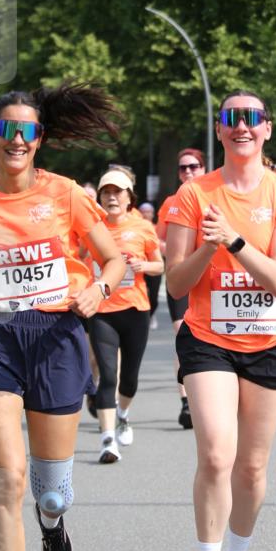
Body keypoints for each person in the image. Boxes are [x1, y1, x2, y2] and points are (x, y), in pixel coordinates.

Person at [0, 84, 126, 551]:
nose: (16, 139)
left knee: (51, 489)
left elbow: (113, 260)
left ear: (39, 138)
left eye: (27, 130)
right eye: (7, 129)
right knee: (8, 478)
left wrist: (98, 291)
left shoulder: (65, 193)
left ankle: (51, 522)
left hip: (56, 334)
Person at [166, 93, 276, 551]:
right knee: (216, 453)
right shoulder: (192, 195)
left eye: (251, 119)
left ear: (267, 129)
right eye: (231, 119)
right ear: (219, 131)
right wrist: (208, 244)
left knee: (250, 465)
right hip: (208, 339)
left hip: (270, 339)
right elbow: (177, 283)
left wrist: (235, 242)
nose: (241, 127)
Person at [88, 169, 163, 463]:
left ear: (129, 196)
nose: (111, 197)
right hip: (102, 310)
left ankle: (123, 416)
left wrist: (143, 265)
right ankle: (107, 441)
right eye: (106, 192)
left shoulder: (143, 227)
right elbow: (79, 261)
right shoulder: (92, 227)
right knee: (108, 377)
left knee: (129, 378)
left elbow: (160, 266)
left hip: (135, 310)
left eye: (117, 192)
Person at [157, 149, 207, 429]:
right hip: (181, 276)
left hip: (208, 280)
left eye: (194, 167)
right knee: (182, 332)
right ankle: (186, 399)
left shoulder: (214, 195)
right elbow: (158, 241)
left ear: (203, 168)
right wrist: (179, 247)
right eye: (182, 168)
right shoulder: (171, 202)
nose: (188, 172)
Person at [139, 202, 161, 329]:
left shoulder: (156, 228)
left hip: (152, 266)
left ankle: (150, 313)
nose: (146, 214)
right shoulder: (136, 227)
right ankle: (143, 317)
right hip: (138, 267)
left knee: (153, 296)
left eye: (149, 212)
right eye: (143, 211)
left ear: (153, 214)